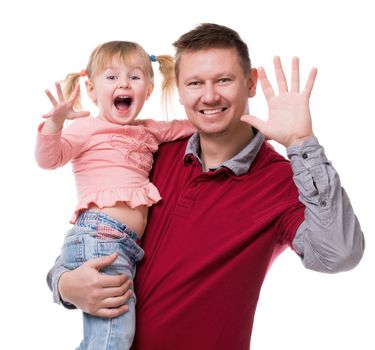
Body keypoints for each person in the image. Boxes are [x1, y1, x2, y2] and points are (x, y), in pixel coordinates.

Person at [47, 24, 365, 350]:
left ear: (251, 82)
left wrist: (302, 143)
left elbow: (338, 255)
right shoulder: (150, 153)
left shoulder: (282, 180)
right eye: (195, 83)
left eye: (224, 80)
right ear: (180, 91)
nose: (209, 96)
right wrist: (64, 283)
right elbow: (96, 235)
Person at [35, 40, 195, 350]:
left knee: (107, 339)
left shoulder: (150, 130)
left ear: (148, 90)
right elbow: (48, 159)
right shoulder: (87, 128)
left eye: (134, 77)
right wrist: (54, 124)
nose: (123, 83)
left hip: (124, 245)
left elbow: (188, 127)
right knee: (113, 339)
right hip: (100, 237)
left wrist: (243, 120)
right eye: (111, 77)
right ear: (92, 91)